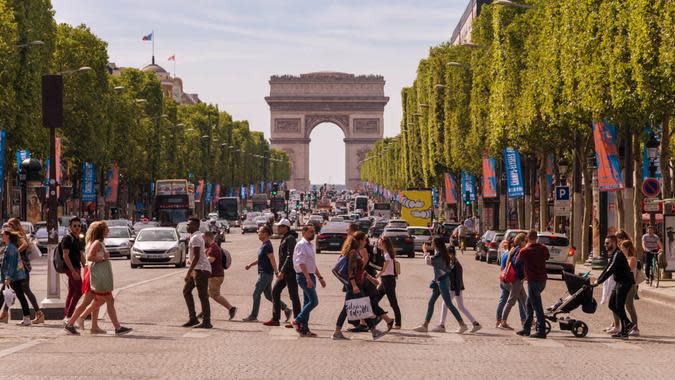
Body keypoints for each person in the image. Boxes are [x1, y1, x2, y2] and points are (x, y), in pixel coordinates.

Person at [64, 221, 132, 335]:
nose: (108, 231)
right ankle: (117, 328)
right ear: (102, 231)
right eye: (106, 229)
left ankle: (78, 323)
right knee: (106, 300)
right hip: (97, 277)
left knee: (96, 301)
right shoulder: (97, 243)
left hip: (96, 276)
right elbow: (90, 257)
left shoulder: (98, 242)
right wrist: (103, 258)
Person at [332, 232, 386, 340]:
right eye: (365, 240)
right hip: (354, 286)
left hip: (356, 285)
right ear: (360, 241)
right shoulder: (353, 253)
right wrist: (354, 285)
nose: (366, 242)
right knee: (362, 307)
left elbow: (360, 271)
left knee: (360, 307)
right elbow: (351, 271)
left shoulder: (355, 252)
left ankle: (338, 332)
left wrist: (371, 279)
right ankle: (373, 331)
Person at [413, 237, 467, 334]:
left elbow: (429, 262)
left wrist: (425, 251)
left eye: (433, 243)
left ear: (436, 244)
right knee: (431, 302)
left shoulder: (440, 255)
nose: (431, 244)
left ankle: (462, 324)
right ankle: (425, 325)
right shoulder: (441, 253)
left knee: (448, 303)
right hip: (440, 281)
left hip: (442, 281)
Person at [0, 219, 43, 324]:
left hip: (21, 267)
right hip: (18, 268)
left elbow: (25, 245)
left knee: (21, 291)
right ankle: (4, 314)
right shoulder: (13, 236)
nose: (8, 227)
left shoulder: (19, 234)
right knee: (13, 290)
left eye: (10, 225)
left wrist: (15, 253)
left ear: (15, 225)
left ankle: (38, 314)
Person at [243, 226, 290, 322]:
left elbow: (272, 259)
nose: (258, 233)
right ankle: (286, 309)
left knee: (256, 294)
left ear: (265, 233)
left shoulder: (267, 245)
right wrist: (251, 265)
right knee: (269, 295)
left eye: (259, 231)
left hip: (265, 274)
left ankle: (253, 315)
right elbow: (261, 259)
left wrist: (277, 272)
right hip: (265, 273)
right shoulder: (264, 244)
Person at [594, 235, 635, 339]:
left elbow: (610, 270)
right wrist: (598, 279)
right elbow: (607, 268)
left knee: (619, 306)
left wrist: (599, 281)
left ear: (614, 243)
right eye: (605, 243)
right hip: (619, 282)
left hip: (625, 282)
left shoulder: (618, 254)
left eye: (607, 243)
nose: (605, 245)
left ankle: (624, 331)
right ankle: (628, 324)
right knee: (612, 304)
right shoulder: (614, 254)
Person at [264, 219, 300, 327]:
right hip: (285, 272)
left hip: (290, 272)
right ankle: (275, 319)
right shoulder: (286, 238)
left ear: (286, 228)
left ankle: (297, 321)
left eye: (280, 227)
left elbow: (290, 257)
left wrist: (282, 271)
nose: (278, 228)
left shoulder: (290, 239)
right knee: (275, 292)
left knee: (294, 296)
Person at [436, 246, 481, 333]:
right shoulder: (453, 262)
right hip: (455, 288)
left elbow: (458, 279)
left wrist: (456, 291)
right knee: (461, 307)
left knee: (445, 304)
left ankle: (442, 324)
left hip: (454, 288)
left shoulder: (456, 264)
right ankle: (475, 323)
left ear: (451, 254)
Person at [293, 225, 326, 337]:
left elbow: (311, 264)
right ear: (304, 232)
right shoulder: (301, 245)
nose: (313, 233)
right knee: (314, 301)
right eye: (311, 231)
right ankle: (297, 320)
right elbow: (301, 263)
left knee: (307, 302)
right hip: (304, 276)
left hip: (310, 275)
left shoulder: (310, 245)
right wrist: (307, 278)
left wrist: (320, 277)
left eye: (314, 231)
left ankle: (304, 328)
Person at [516, 230, 550, 339]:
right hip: (542, 281)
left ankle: (541, 331)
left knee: (537, 306)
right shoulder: (543, 248)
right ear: (537, 237)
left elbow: (517, 262)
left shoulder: (525, 251)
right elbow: (547, 257)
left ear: (527, 238)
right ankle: (526, 328)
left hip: (533, 281)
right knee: (529, 304)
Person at [182, 217, 212, 329]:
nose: (187, 226)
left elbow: (197, 256)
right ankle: (193, 318)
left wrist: (188, 272)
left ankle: (207, 321)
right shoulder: (195, 236)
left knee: (203, 296)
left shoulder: (195, 238)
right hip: (197, 269)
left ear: (195, 226)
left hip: (201, 270)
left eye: (189, 224)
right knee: (186, 291)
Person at [204, 231, 237, 321]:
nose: (202, 241)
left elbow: (210, 260)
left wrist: (199, 261)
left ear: (207, 238)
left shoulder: (213, 248)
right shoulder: (211, 247)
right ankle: (204, 311)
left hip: (215, 276)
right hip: (214, 275)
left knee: (215, 295)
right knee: (205, 294)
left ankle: (231, 308)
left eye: (203, 238)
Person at [1, 230, 31, 325]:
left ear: (8, 236)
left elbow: (12, 264)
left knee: (20, 296)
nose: (2, 236)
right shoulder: (10, 247)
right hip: (15, 276)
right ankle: (26, 318)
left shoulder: (11, 248)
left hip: (14, 277)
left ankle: (27, 318)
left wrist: (8, 277)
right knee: (16, 295)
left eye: (3, 235)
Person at [499, 233, 528, 330]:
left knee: (524, 300)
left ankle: (530, 320)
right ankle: (503, 321)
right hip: (517, 280)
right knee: (511, 301)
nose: (526, 243)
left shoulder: (514, 249)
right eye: (525, 241)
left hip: (515, 279)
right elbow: (517, 263)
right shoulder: (519, 250)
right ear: (522, 241)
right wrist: (522, 276)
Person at [61, 217, 86, 323]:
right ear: (70, 227)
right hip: (70, 268)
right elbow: (65, 256)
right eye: (74, 226)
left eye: (79, 226)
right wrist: (72, 271)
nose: (77, 228)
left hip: (77, 267)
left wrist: (86, 267)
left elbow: (81, 255)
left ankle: (66, 316)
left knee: (72, 291)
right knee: (79, 290)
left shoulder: (78, 239)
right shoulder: (67, 238)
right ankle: (69, 316)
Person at [375, 236, 402, 329]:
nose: (378, 244)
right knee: (375, 299)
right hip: (385, 280)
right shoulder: (386, 253)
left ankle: (398, 323)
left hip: (388, 280)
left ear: (385, 244)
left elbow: (383, 269)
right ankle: (375, 318)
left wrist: (375, 277)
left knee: (393, 302)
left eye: (380, 243)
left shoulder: (387, 255)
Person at [619, 240, 640, 336]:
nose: (621, 250)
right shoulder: (626, 258)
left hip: (631, 286)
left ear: (627, 248)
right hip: (625, 285)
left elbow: (628, 271)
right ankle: (629, 326)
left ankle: (635, 328)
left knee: (630, 306)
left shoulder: (632, 259)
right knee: (627, 306)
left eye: (622, 248)